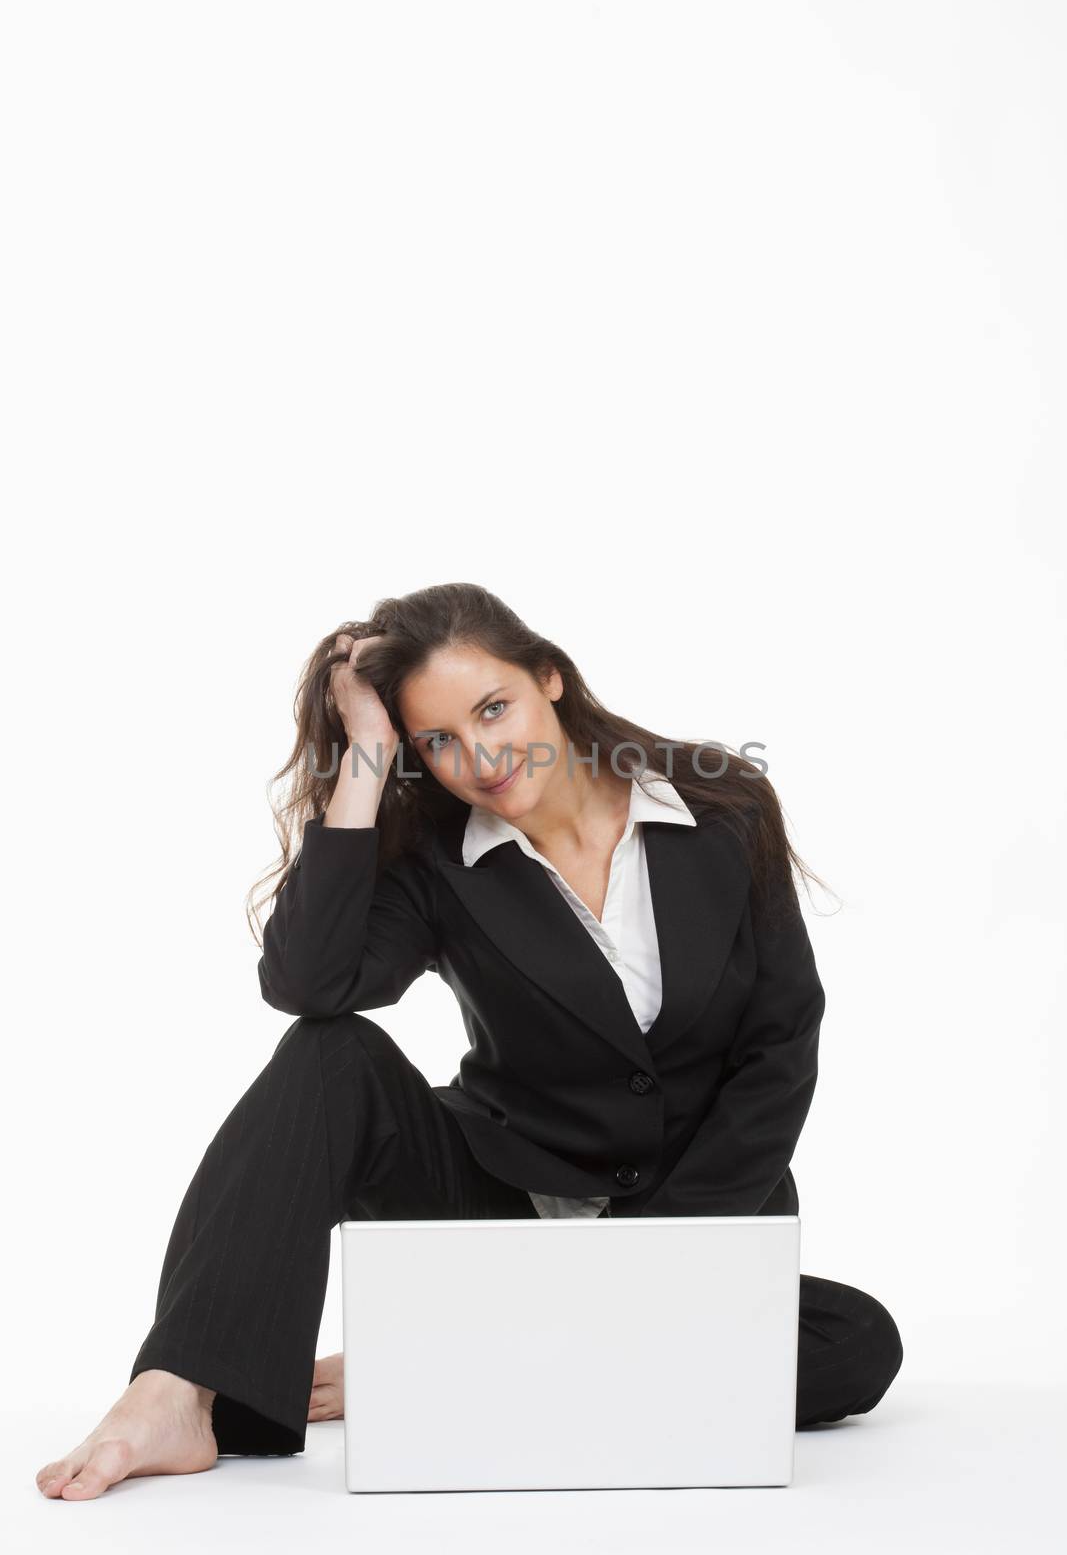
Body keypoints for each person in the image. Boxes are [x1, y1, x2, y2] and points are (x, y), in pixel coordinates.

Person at [36, 582, 903, 1501]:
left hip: (697, 1208)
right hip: (495, 1206)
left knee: (853, 1346)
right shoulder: (439, 858)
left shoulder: (724, 803)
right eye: (436, 740)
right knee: (329, 1057)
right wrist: (364, 764)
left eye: (495, 709)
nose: (482, 756)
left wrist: (655, 1266)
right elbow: (309, 987)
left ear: (551, 678)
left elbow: (779, 1042)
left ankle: (456, 1358)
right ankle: (176, 1387)